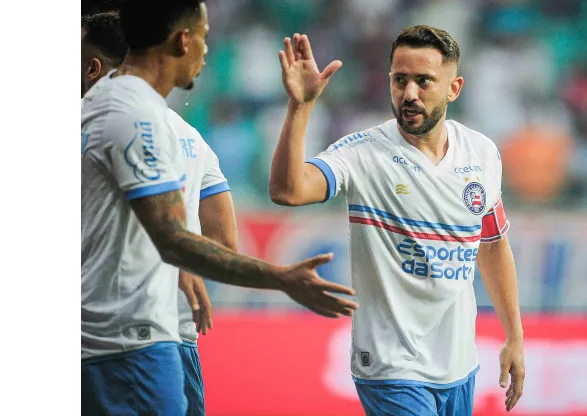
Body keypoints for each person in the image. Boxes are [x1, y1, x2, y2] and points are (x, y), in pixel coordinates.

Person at [81, 1, 358, 414]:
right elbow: (179, 239)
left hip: (130, 337)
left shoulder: (109, 111)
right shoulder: (142, 119)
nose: (209, 52)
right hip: (126, 344)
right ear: (183, 40)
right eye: (205, 38)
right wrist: (281, 277)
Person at [269, 26, 525, 415]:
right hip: (391, 366)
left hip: (458, 363)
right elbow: (288, 191)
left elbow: (491, 244)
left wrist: (515, 337)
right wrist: (300, 107)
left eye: (424, 82)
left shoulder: (482, 153)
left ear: (454, 88)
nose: (409, 94)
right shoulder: (362, 153)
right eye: (399, 80)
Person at [82, 11, 234, 414]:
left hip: (115, 336)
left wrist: (173, 251)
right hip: (174, 332)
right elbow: (225, 242)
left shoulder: (100, 124)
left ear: (91, 67)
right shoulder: (191, 137)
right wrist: (181, 262)